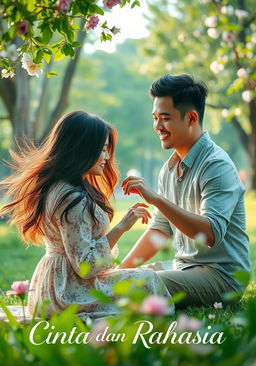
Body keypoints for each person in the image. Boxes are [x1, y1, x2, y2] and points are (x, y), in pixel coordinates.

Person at [0, 111, 172, 320]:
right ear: (82, 149)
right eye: (102, 150)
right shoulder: (73, 199)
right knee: (147, 279)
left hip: (53, 284)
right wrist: (121, 227)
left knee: (142, 278)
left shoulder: (58, 186)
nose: (107, 157)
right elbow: (86, 267)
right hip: (66, 292)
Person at [119, 74, 251, 308]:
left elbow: (210, 233)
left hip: (222, 278)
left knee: (135, 288)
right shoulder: (168, 170)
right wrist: (121, 269)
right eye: (155, 118)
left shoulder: (216, 165)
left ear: (191, 118)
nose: (158, 126)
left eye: (165, 118)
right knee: (119, 281)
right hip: (183, 268)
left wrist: (157, 200)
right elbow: (160, 230)